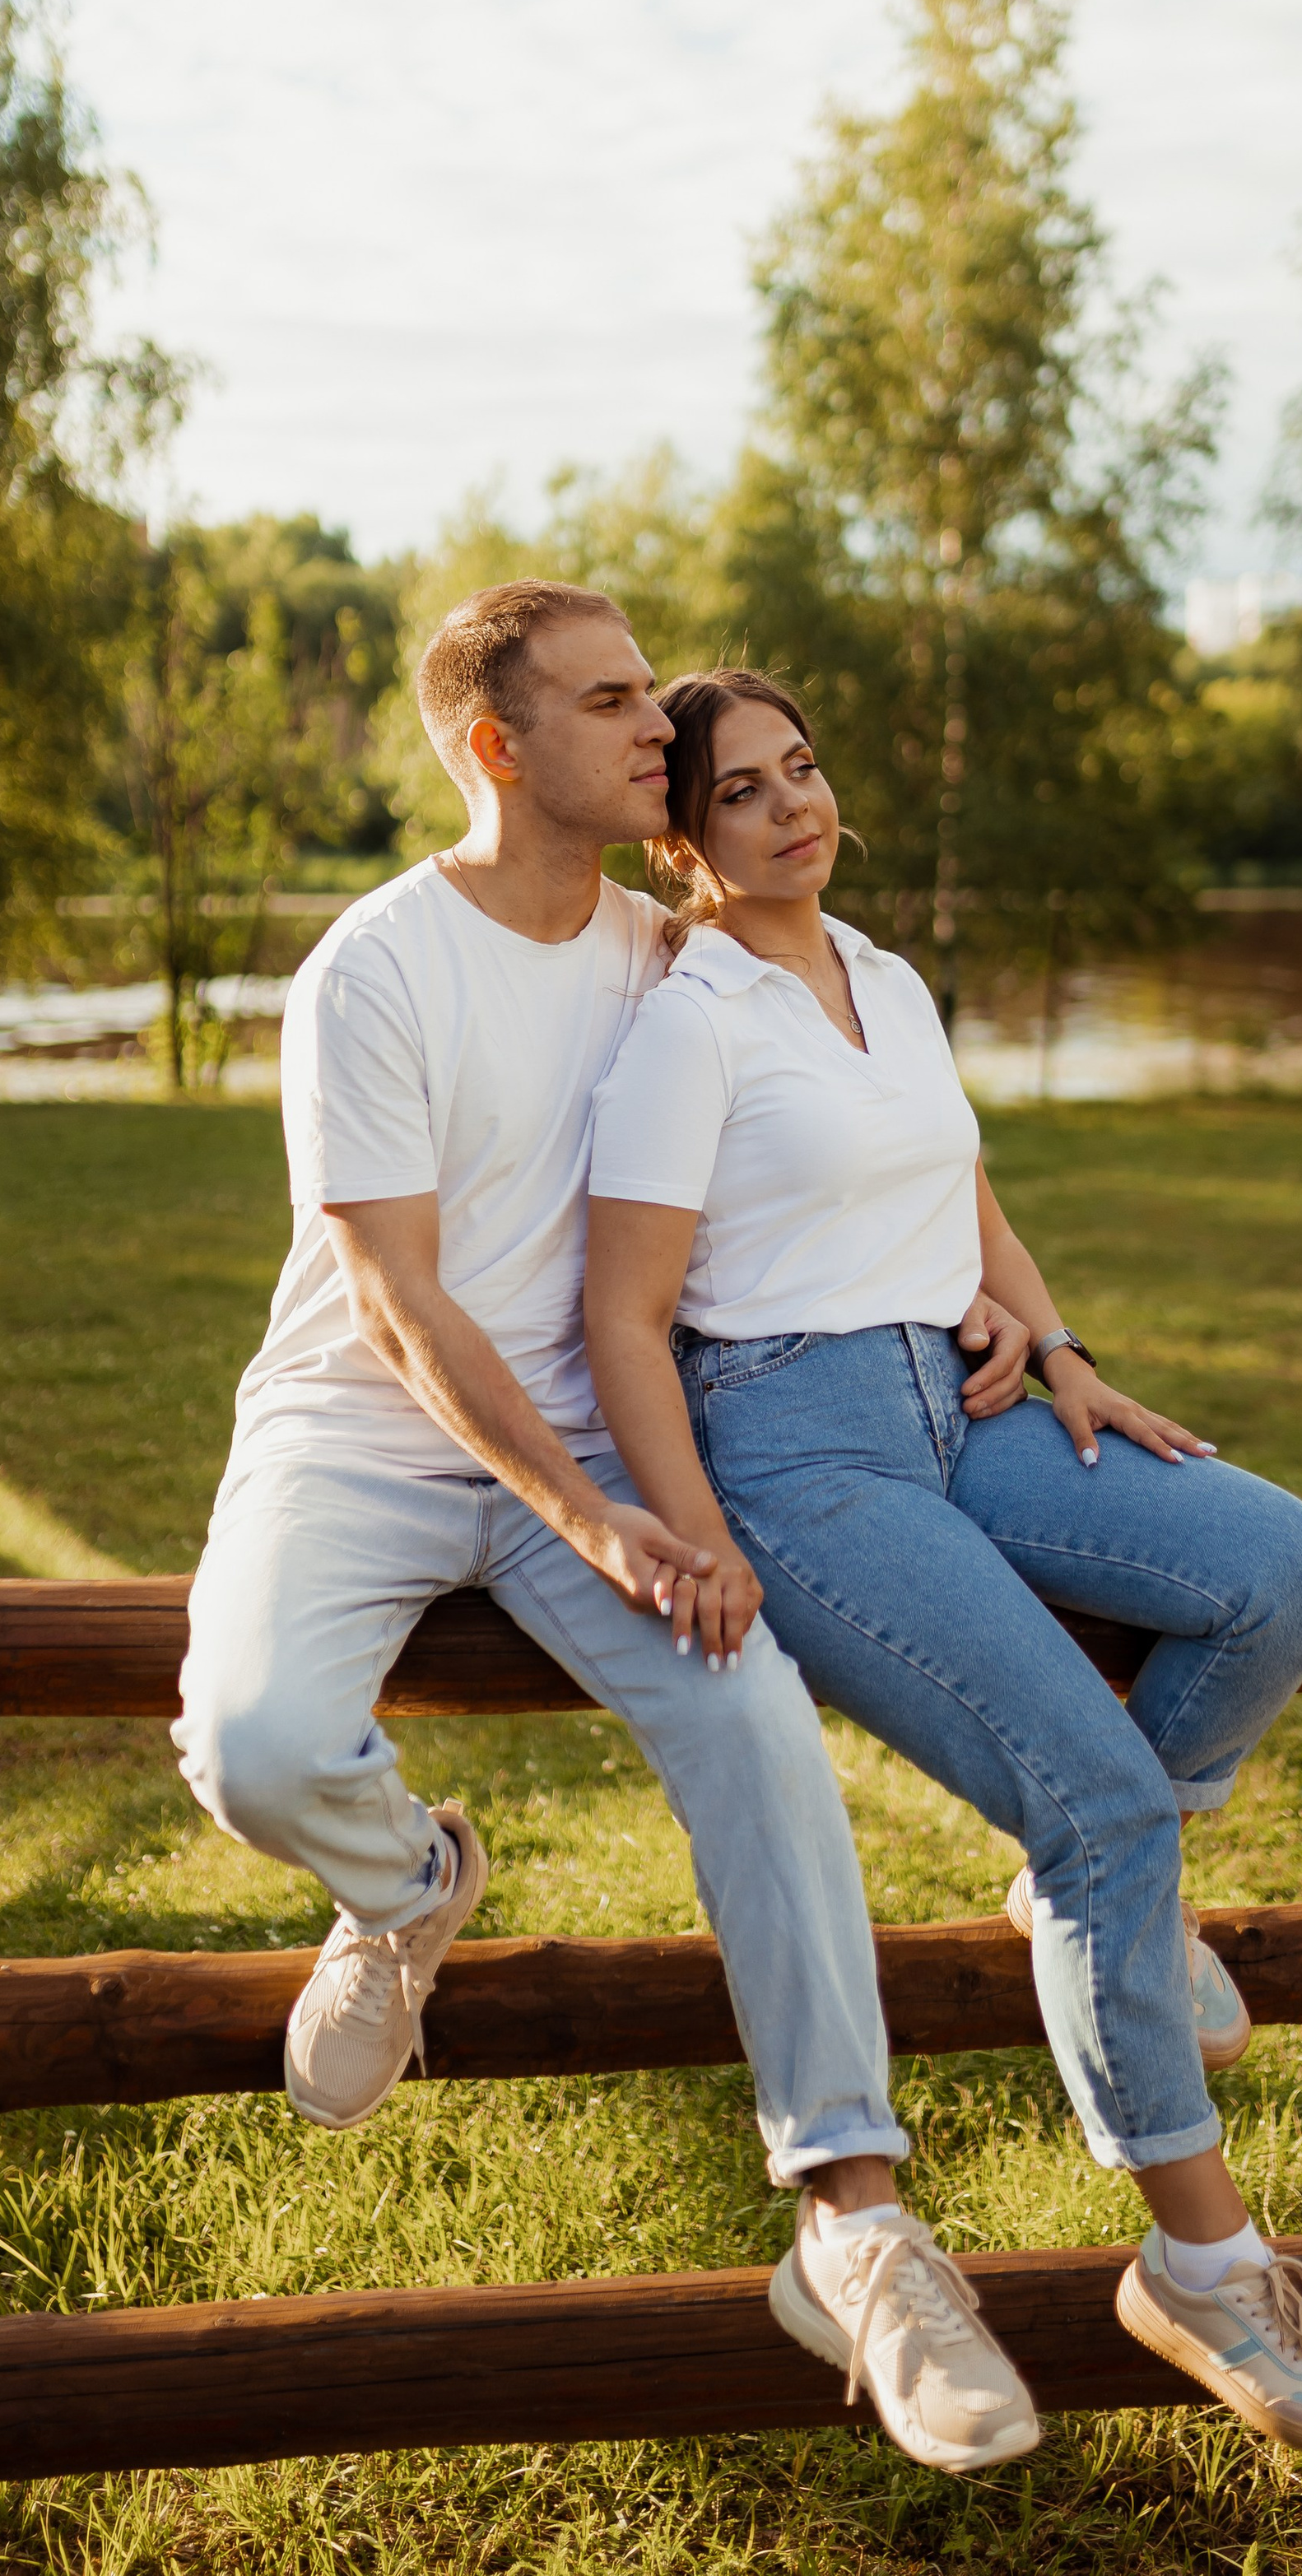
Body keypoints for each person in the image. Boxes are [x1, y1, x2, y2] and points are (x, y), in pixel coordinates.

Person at [171, 583, 1044, 2477]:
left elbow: (888, 1085)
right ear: (496, 747)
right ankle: (406, 1891)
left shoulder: (674, 950)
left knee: (750, 1727)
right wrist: (604, 1518)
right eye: (607, 700)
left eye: (650, 693)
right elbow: (399, 1303)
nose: (658, 728)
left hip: (594, 1430)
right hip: (363, 1427)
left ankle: (854, 2222)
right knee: (247, 1747)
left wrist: (1011, 1299)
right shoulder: (374, 968)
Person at [584, 667, 1302, 2465]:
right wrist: (695, 1535)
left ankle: (1088, 1905)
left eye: (802, 768)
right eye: (740, 792)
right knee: (1095, 1800)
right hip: (796, 1454)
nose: (791, 806)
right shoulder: (686, 1020)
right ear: (681, 835)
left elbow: (965, 1192)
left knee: (1274, 1563)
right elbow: (624, 1315)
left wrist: (1063, 1342)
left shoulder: (878, 973)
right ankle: (1204, 2263)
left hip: (960, 1400)